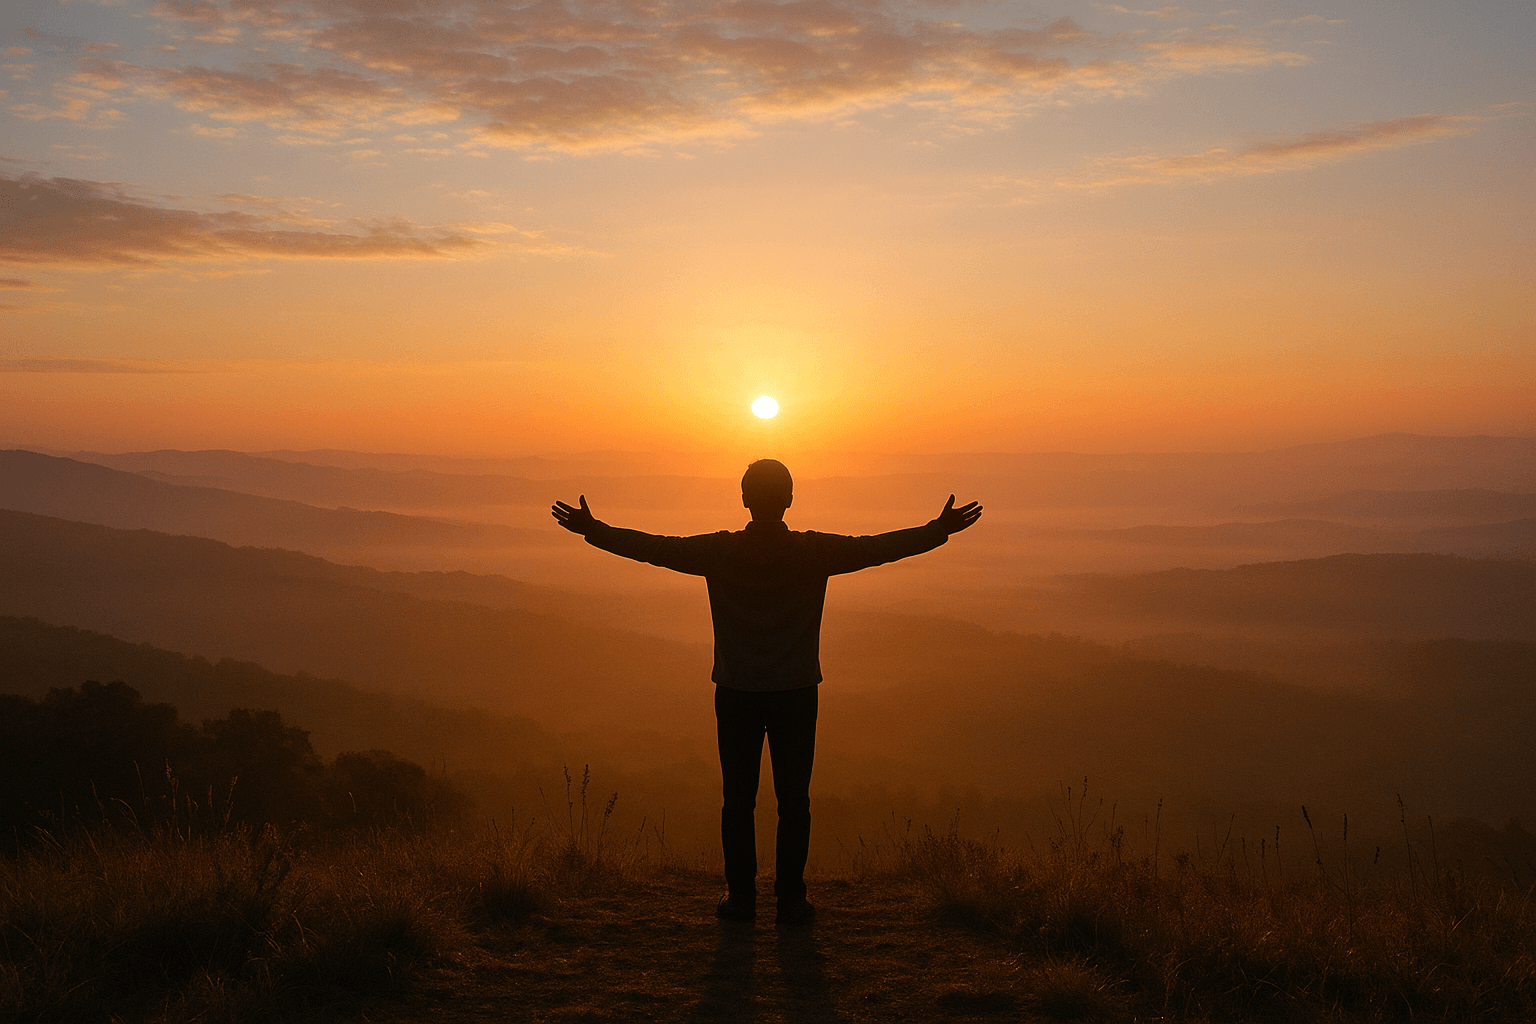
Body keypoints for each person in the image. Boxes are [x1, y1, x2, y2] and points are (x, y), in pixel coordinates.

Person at [551, 459, 982, 926]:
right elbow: (876, 549)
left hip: (736, 690)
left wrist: (594, 531)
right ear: (790, 499)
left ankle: (740, 902)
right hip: (796, 692)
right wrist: (937, 530)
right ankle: (791, 902)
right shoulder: (813, 552)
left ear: (744, 499)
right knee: (794, 801)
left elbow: (655, 549)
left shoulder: (720, 552)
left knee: (738, 801)